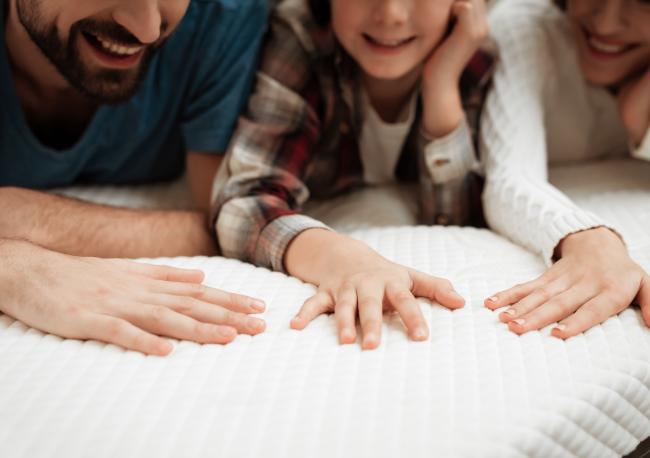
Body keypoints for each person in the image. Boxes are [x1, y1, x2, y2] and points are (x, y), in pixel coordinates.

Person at [212, 0, 495, 349]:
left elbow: (458, 220)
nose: (391, 15)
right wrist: (343, 260)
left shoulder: (471, 49)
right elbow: (242, 204)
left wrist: (442, 84)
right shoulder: (302, 35)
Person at [0, 0, 269, 355]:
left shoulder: (224, 16)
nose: (147, 29)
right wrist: (16, 268)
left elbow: (226, 223)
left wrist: (27, 217)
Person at [482, 0, 650, 337]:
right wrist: (590, 238)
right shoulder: (526, 25)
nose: (605, 23)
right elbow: (508, 179)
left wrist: (641, 122)